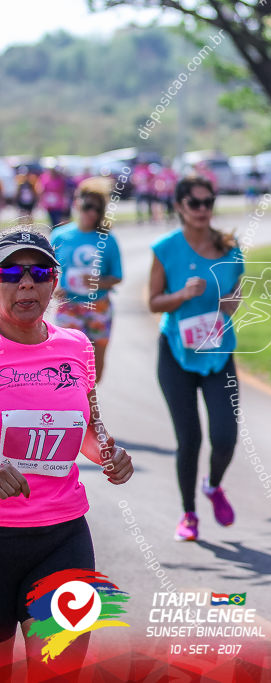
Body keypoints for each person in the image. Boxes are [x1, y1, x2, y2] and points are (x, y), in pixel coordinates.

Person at [0, 228, 132, 677]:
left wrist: (110, 453)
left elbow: (88, 429)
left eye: (39, 272)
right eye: (10, 272)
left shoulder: (76, 347)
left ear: (54, 282)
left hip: (63, 537)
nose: (26, 284)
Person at [148, 176, 243, 541]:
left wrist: (232, 303)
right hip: (176, 353)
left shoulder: (230, 247)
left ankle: (213, 485)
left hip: (218, 352)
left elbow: (234, 295)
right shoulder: (165, 248)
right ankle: (188, 515)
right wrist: (181, 296)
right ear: (180, 207)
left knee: (225, 437)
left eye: (208, 202)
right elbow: (153, 302)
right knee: (189, 438)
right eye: (195, 203)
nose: (203, 210)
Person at [52, 177, 123, 383]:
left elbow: (117, 277)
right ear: (77, 202)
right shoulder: (59, 236)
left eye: (97, 209)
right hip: (69, 307)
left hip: (99, 306)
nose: (91, 213)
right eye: (88, 206)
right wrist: (55, 289)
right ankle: (74, 404)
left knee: (95, 368)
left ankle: (89, 402)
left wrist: (96, 282)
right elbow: (49, 271)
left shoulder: (107, 239)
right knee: (69, 363)